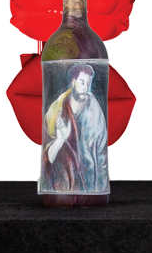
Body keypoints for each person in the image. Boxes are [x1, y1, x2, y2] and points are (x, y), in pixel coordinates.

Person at [42, 62, 108, 193]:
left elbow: (102, 154)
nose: (86, 87)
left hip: (89, 184)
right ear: (73, 82)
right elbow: (47, 159)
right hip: (61, 185)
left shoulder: (95, 111)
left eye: (88, 83)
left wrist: (100, 188)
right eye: (82, 82)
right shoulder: (56, 110)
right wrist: (60, 139)